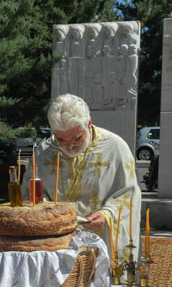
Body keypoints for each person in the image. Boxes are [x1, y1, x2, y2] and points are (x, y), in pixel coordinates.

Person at [21, 93, 141, 260]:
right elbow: (31, 194)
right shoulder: (44, 152)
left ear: (89, 124)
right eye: (61, 140)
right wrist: (46, 209)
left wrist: (107, 214)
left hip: (101, 240)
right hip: (58, 243)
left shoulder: (115, 147)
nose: (70, 146)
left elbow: (128, 193)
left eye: (77, 138)